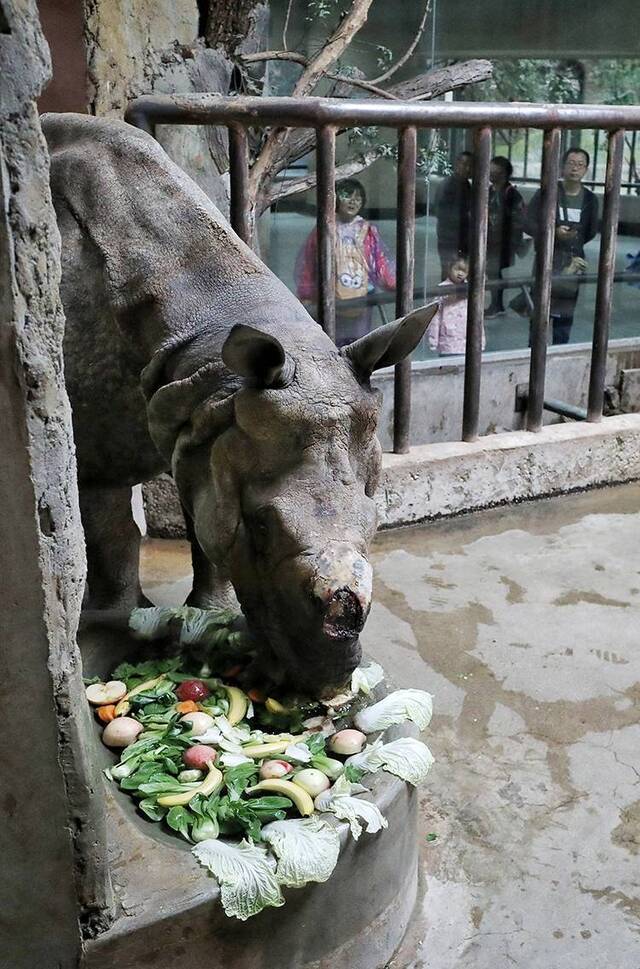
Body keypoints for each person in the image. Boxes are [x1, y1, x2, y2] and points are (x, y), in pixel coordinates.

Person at [295, 178, 396, 347]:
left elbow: (378, 261)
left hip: (362, 293)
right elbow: (310, 261)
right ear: (336, 199)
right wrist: (306, 292)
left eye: (358, 198)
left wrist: (392, 283)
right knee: (332, 340)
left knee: (359, 341)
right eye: (347, 196)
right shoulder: (325, 228)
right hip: (331, 292)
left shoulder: (367, 230)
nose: (353, 201)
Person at [525, 147, 599, 344]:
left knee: (564, 317)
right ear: (563, 167)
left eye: (580, 164)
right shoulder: (547, 193)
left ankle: (559, 353)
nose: (575, 168)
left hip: (573, 263)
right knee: (539, 313)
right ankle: (534, 357)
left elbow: (591, 230)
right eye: (571, 163)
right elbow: (528, 221)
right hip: (547, 260)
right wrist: (552, 232)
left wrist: (573, 240)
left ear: (586, 170)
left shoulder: (590, 199)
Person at [485, 156, 525, 317]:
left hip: (502, 242)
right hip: (490, 241)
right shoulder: (491, 191)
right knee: (492, 272)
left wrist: (511, 244)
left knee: (494, 272)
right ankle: (497, 304)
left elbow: (518, 221)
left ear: (504, 173)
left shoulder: (511, 194)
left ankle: (497, 305)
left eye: (494, 171)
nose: (490, 174)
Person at [428, 256, 485, 356]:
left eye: (464, 271)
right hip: (447, 340)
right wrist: (433, 340)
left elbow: (477, 316)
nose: (460, 273)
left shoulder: (470, 288)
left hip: (466, 338)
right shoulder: (442, 289)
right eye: (457, 269)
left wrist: (481, 340)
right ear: (449, 269)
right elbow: (435, 317)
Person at [435, 151, 473, 280]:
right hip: (449, 238)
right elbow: (442, 213)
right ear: (457, 164)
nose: (468, 169)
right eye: (465, 164)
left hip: (461, 238)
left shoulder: (466, 185)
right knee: (449, 271)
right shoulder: (448, 185)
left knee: (459, 272)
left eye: (471, 166)